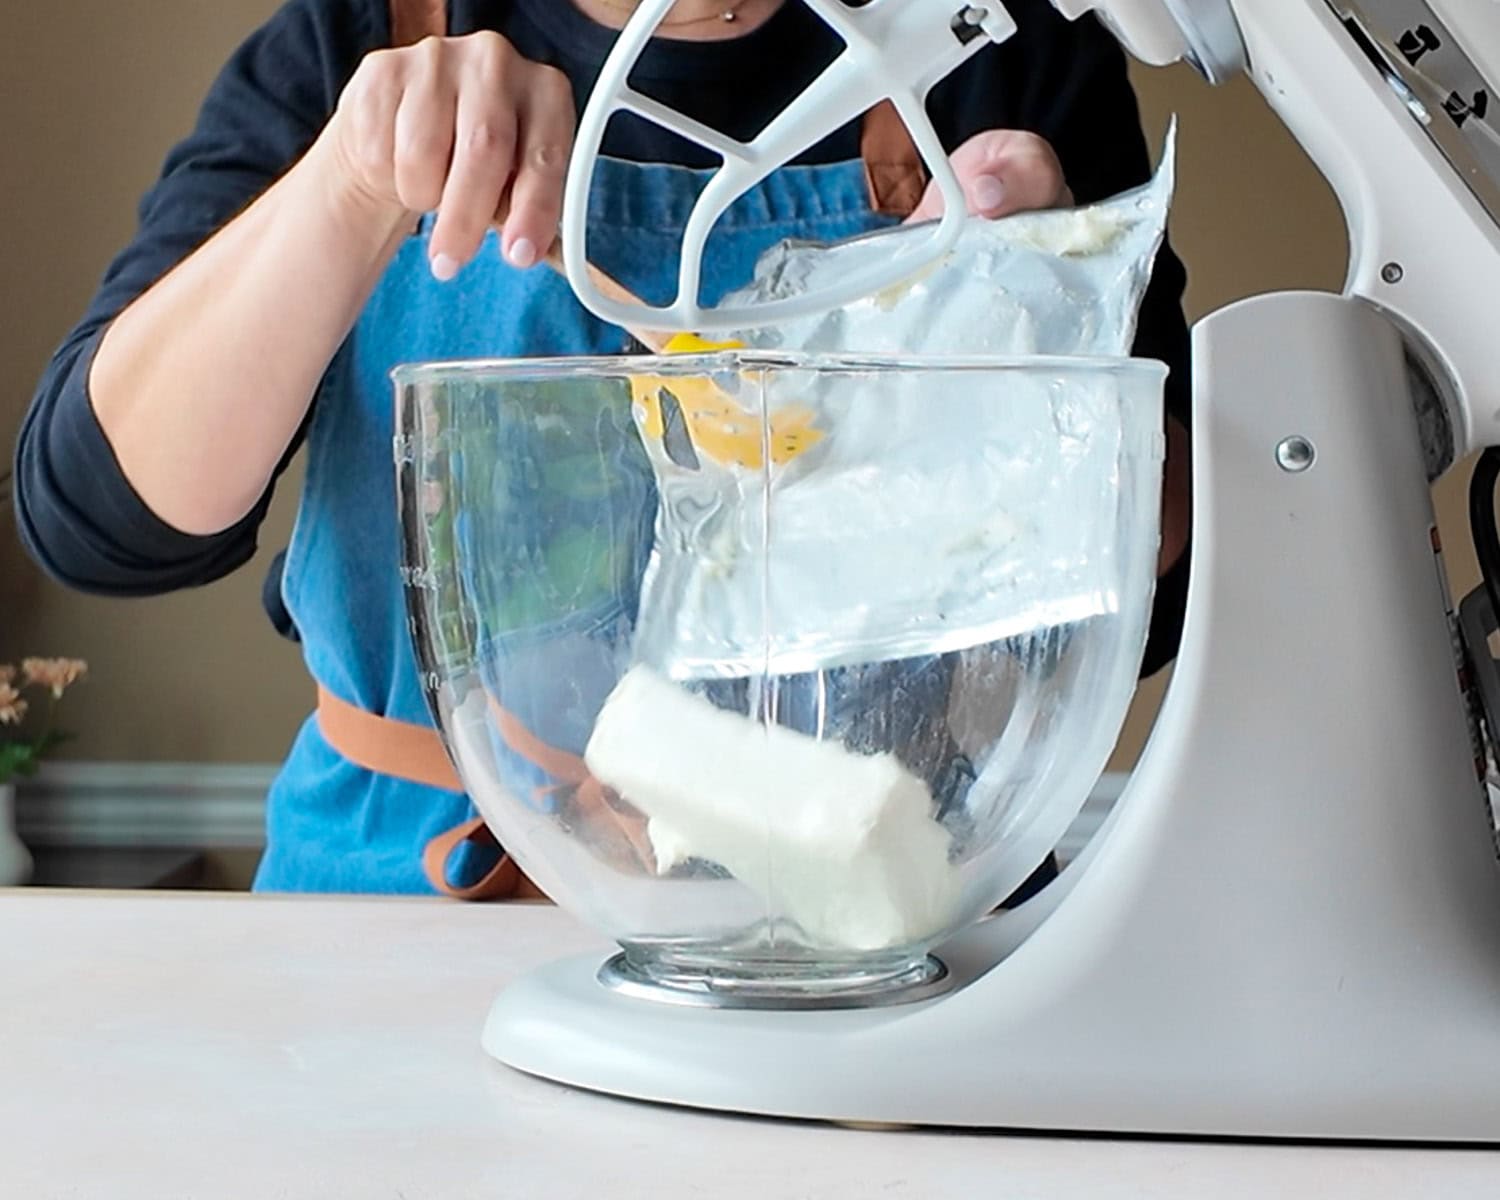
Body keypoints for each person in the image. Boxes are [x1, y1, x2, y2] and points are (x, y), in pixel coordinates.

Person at [12, 0, 1192, 898]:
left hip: (876, 900)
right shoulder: (363, 39)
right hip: (397, 896)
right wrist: (352, 183)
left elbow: (1168, 597)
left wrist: (1049, 332)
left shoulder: (986, 50)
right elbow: (101, 519)